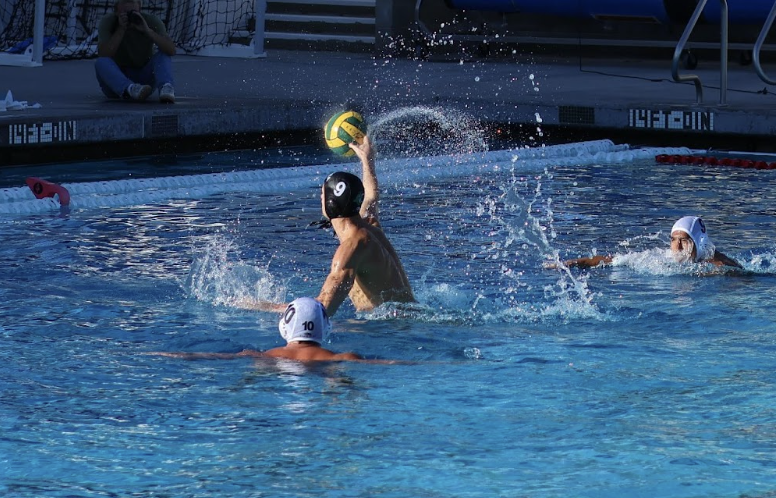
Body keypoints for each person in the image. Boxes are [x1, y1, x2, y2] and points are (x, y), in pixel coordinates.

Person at [235, 136, 415, 316]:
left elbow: (321, 309)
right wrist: (367, 160)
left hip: (392, 328)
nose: (320, 198)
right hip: (405, 318)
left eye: (322, 194)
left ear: (331, 203)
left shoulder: (352, 247)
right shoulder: (368, 225)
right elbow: (371, 196)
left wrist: (262, 306)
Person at [151, 297, 392, 363]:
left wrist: (165, 355)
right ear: (325, 327)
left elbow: (210, 356)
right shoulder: (346, 358)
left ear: (285, 325)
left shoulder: (265, 356)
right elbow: (393, 364)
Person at [553, 216, 742, 269]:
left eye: (683, 241)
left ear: (698, 243)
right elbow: (612, 260)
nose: (676, 247)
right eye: (673, 240)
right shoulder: (660, 259)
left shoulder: (718, 264)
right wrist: (575, 262)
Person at [95, 0, 176, 103]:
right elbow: (104, 54)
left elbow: (171, 50)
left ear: (139, 10)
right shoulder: (108, 21)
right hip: (115, 83)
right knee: (101, 62)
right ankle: (129, 88)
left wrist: (147, 31)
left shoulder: (151, 21)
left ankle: (166, 87)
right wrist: (121, 29)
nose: (129, 16)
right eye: (125, 13)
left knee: (162, 55)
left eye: (132, 12)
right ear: (116, 11)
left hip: (144, 82)